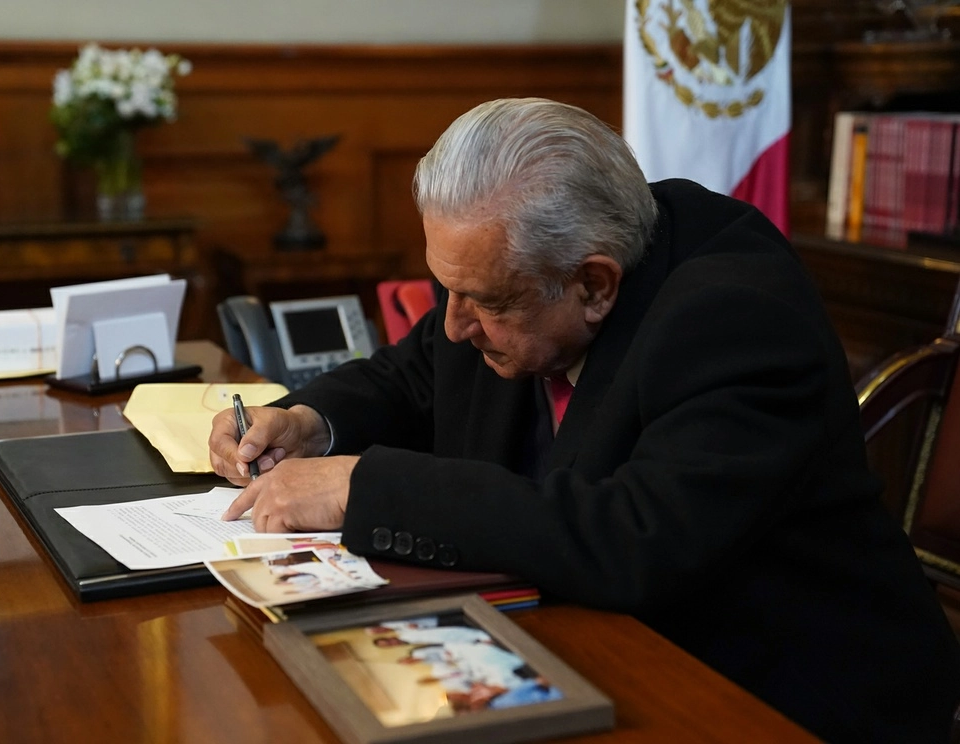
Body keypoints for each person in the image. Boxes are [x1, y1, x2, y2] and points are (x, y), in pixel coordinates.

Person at [210, 97, 960, 742]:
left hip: (771, 691)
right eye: (447, 291)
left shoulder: (734, 314)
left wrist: (362, 488)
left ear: (594, 285)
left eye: (486, 302)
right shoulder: (510, 272)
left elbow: (636, 536)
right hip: (578, 644)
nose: (456, 324)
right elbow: (412, 373)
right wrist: (310, 420)